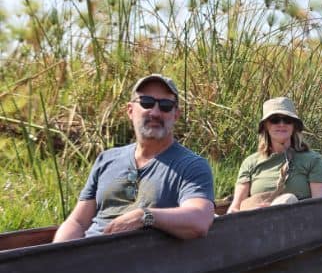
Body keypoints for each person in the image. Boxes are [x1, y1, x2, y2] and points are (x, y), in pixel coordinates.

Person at [53, 74, 215, 242]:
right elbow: (78, 222)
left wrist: (144, 216)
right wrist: (58, 257)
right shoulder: (106, 160)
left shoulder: (191, 166)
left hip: (138, 262)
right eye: (146, 102)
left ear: (176, 115)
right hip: (87, 258)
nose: (155, 112)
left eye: (166, 106)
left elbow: (199, 221)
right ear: (130, 110)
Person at [227, 97, 322, 213]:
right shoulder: (250, 163)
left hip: (300, 222)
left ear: (294, 126)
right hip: (256, 224)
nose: (281, 124)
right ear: (266, 126)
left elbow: (320, 207)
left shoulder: (312, 160)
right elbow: (235, 208)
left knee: (288, 199)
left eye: (287, 120)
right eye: (275, 120)